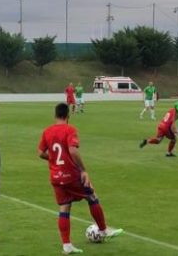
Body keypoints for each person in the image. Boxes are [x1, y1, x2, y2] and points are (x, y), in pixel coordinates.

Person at [38, 103, 123, 254]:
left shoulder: (47, 131)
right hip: (71, 174)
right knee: (92, 196)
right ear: (68, 116)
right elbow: (73, 150)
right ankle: (103, 230)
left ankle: (67, 245)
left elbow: (40, 152)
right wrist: (83, 170)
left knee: (64, 206)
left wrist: (53, 160)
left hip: (56, 177)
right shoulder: (70, 129)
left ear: (55, 115)